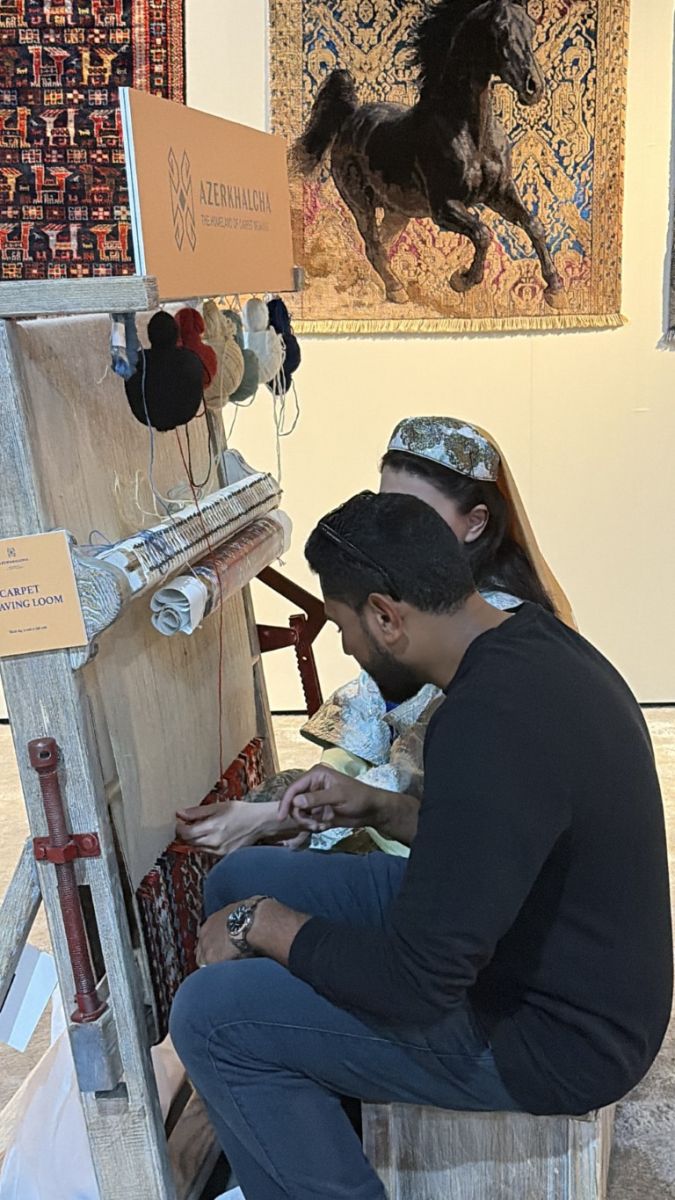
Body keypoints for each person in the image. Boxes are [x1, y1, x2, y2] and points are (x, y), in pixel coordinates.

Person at [170, 491, 672, 1200]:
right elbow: (499, 837)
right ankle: (301, 1105)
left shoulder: (485, 724)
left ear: (385, 616)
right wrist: (383, 807)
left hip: (558, 1036)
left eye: (342, 626)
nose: (345, 646)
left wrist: (263, 924)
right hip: (531, 945)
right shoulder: (531, 643)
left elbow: (415, 984)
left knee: (212, 1016)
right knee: (241, 877)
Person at [176, 416, 574, 857]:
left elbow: (419, 774)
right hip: (393, 802)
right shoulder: (420, 593)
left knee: (258, 865)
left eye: (416, 516)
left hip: (444, 832)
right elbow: (372, 702)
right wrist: (324, 779)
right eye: (388, 510)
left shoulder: (487, 624)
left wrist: (282, 816)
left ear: (476, 522)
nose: (391, 531)